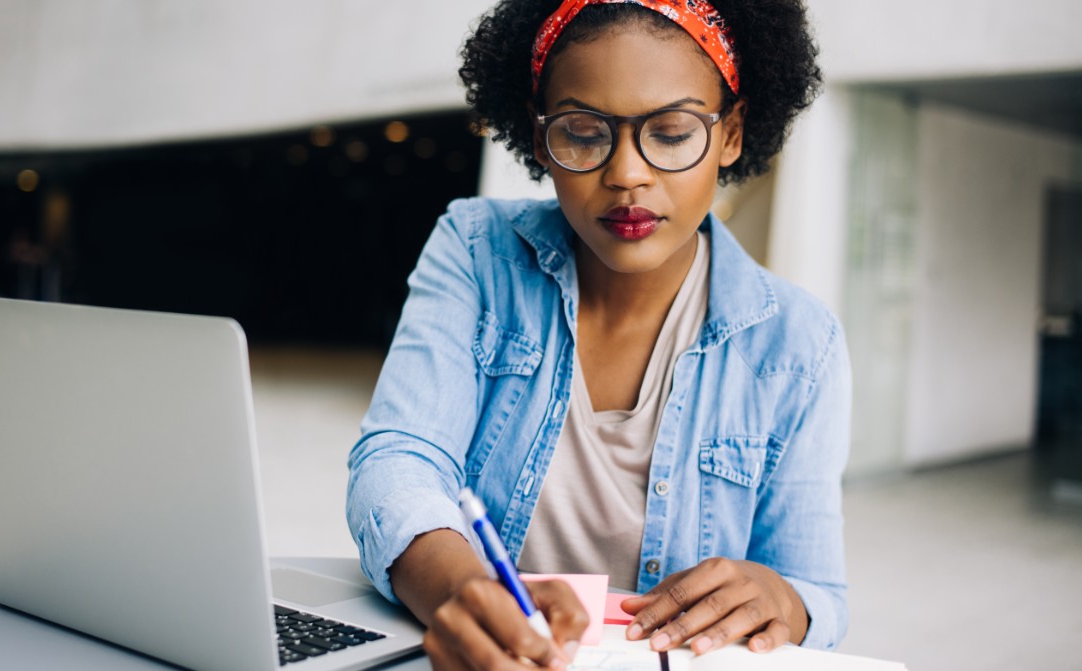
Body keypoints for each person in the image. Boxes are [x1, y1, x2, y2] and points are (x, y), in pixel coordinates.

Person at [346, 1, 845, 668]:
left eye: (670, 133)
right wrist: (465, 589)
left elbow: (822, 593)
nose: (626, 174)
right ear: (538, 134)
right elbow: (398, 458)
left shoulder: (799, 344)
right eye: (583, 132)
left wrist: (781, 596)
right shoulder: (476, 250)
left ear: (732, 133)